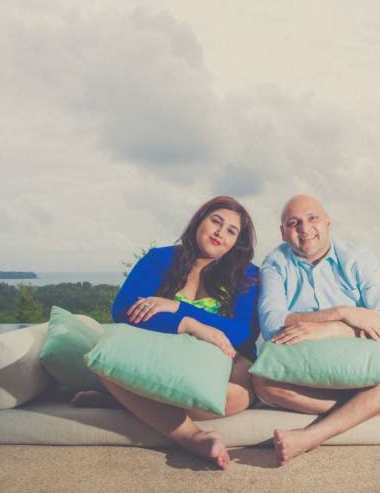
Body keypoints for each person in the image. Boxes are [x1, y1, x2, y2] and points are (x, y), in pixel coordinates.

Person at [72, 195, 259, 469]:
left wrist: (177, 309)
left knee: (237, 396)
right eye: (215, 222)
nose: (220, 233)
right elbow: (123, 309)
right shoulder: (159, 259)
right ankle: (190, 436)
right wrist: (188, 325)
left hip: (222, 365)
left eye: (231, 231)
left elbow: (241, 333)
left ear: (237, 243)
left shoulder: (247, 275)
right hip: (162, 362)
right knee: (104, 362)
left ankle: (130, 403)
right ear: (199, 222)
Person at [252, 194, 380, 465]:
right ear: (283, 232)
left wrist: (335, 328)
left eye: (312, 218)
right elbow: (271, 323)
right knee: (262, 383)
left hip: (365, 363)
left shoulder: (359, 257)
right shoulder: (275, 263)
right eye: (294, 222)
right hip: (306, 367)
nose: (304, 228)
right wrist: (343, 312)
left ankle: (313, 435)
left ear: (327, 222)